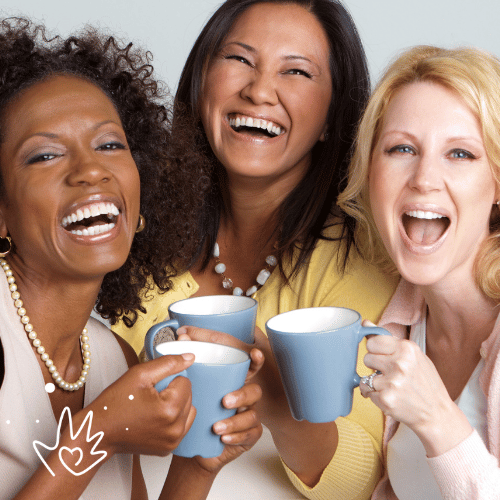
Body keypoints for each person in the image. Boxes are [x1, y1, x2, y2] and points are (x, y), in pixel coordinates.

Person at [114, 1, 398, 498]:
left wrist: (280, 403)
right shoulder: (133, 227)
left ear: (334, 115)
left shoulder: (365, 258)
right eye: (240, 60)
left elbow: (369, 478)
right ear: (202, 80)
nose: (259, 90)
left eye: (296, 71)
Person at [0, 17, 263, 500]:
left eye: (109, 145)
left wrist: (198, 466)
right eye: (44, 155)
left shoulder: (110, 357)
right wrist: (98, 431)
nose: (91, 170)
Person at [338, 45, 500, 499]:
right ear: (372, 175)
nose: (424, 177)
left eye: (461, 154)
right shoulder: (401, 319)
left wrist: (436, 419)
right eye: (402, 148)